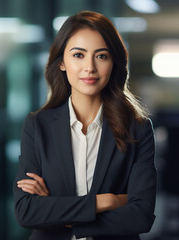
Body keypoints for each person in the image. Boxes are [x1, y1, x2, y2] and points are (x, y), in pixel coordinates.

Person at [13, 11, 157, 240]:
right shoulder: (37, 126)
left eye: (101, 56)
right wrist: (109, 201)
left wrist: (57, 212)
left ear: (113, 63)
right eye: (78, 55)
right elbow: (27, 211)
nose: (89, 67)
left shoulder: (138, 129)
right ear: (62, 62)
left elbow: (140, 216)